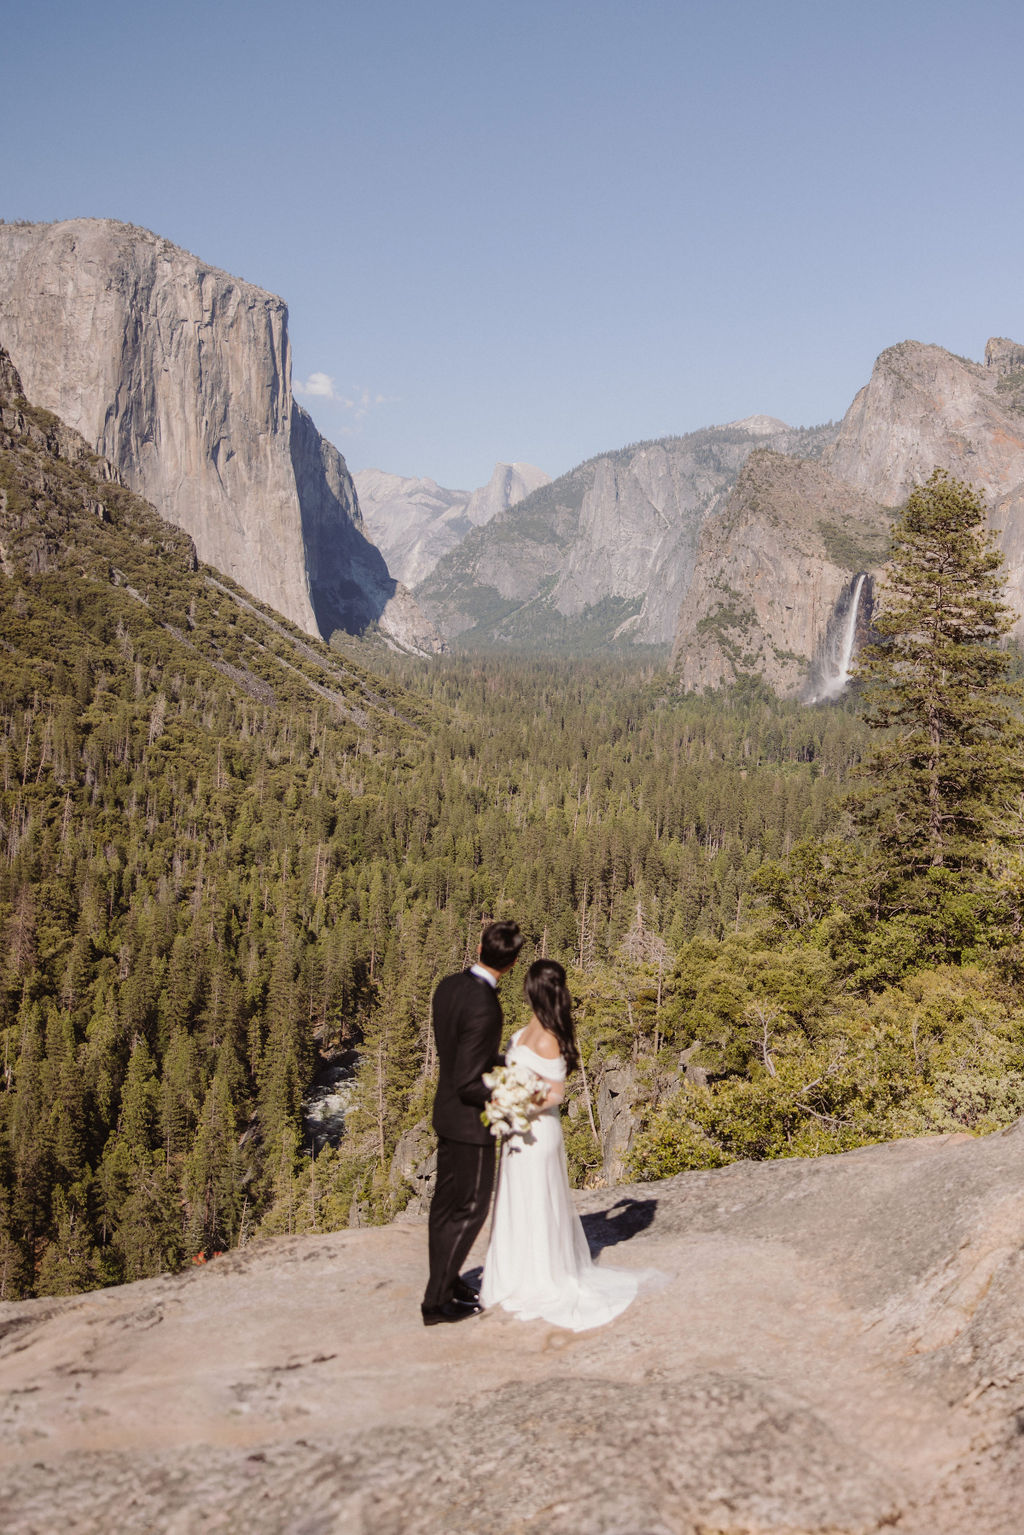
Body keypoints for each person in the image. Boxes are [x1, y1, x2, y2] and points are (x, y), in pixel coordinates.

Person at [480, 958, 640, 1331]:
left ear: (534, 991)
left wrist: (517, 1103)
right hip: (517, 1132)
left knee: (536, 1199)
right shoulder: (522, 1033)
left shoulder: (552, 1036)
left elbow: (555, 1094)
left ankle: (539, 1277)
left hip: (538, 1131)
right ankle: (514, 1274)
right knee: (515, 1198)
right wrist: (501, 1097)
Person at [421, 919, 525, 1326]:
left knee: (444, 1206)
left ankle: (445, 1281)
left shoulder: (447, 986)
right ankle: (437, 1302)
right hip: (469, 1123)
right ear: (513, 963)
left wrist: (505, 1061)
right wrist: (507, 1096)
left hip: (443, 1111)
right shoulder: (487, 1005)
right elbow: (469, 1079)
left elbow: (461, 1052)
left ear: (480, 948)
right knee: (470, 1210)